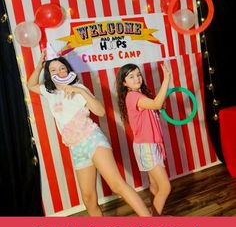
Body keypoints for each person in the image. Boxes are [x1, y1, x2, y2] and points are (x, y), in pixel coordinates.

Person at [27, 50, 151, 217]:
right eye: (53, 70)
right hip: (76, 148)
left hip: (92, 139)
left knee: (117, 185)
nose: (58, 72)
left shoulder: (78, 87)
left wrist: (80, 92)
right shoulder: (49, 92)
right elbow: (30, 85)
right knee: (88, 198)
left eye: (62, 68)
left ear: (68, 70)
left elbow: (100, 112)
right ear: (49, 74)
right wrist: (39, 66)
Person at [116, 63, 171, 216]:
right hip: (146, 147)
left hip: (148, 145)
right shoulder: (134, 96)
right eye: (131, 76)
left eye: (138, 74)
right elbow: (156, 103)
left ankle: (155, 216)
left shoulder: (138, 95)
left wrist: (157, 107)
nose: (137, 78)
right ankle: (152, 223)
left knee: (154, 185)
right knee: (165, 187)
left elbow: (155, 107)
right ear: (124, 83)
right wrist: (166, 79)